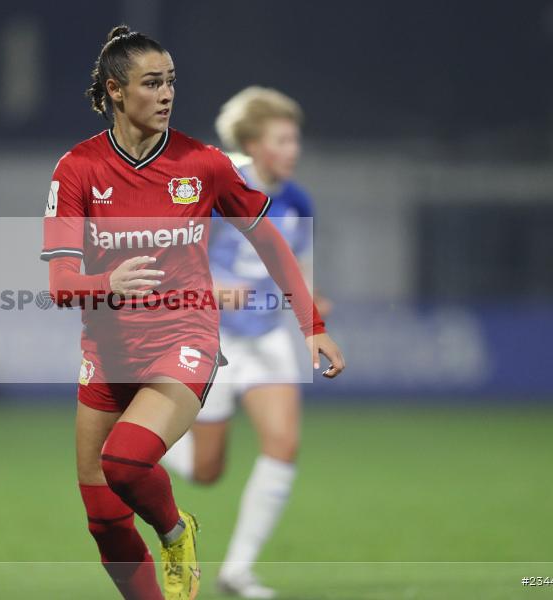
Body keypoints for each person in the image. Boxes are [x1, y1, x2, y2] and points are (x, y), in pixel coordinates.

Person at [40, 26, 345, 600]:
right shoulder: (76, 170)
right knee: (104, 521)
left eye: (171, 82)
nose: (166, 94)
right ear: (114, 90)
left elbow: (272, 243)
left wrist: (312, 324)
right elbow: (59, 286)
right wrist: (107, 282)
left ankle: (177, 533)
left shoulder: (201, 164)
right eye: (152, 83)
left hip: (186, 339)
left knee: (126, 463)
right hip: (105, 352)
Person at [162, 87, 328, 598]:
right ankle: (146, 443)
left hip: (267, 337)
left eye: (295, 138)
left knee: (283, 444)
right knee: (208, 472)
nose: (294, 148)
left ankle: (238, 571)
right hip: (209, 341)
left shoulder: (298, 199)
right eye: (283, 138)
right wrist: (210, 287)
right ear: (253, 145)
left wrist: (312, 303)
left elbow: (295, 265)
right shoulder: (214, 190)